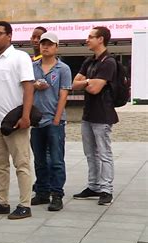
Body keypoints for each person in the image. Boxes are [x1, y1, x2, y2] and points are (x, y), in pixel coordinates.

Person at [0, 21, 35, 220]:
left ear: (9, 36)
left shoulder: (19, 57)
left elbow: (28, 87)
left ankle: (25, 204)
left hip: (14, 121)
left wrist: (25, 116)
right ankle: (2, 202)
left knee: (22, 164)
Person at [71, 26, 118, 206]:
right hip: (88, 114)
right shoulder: (89, 61)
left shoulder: (109, 62)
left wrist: (87, 82)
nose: (87, 40)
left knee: (104, 153)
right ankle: (94, 186)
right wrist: (89, 81)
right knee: (90, 153)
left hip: (103, 115)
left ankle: (107, 190)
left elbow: (95, 89)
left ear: (101, 39)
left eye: (91, 37)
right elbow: (74, 84)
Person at [30, 32, 72, 211]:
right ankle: (42, 191)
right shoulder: (33, 67)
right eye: (43, 43)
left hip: (54, 121)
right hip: (36, 120)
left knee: (56, 160)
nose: (45, 47)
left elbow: (64, 94)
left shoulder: (63, 69)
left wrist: (57, 119)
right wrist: (35, 86)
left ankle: (57, 194)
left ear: (56, 47)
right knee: (39, 159)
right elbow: (25, 88)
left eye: (49, 44)